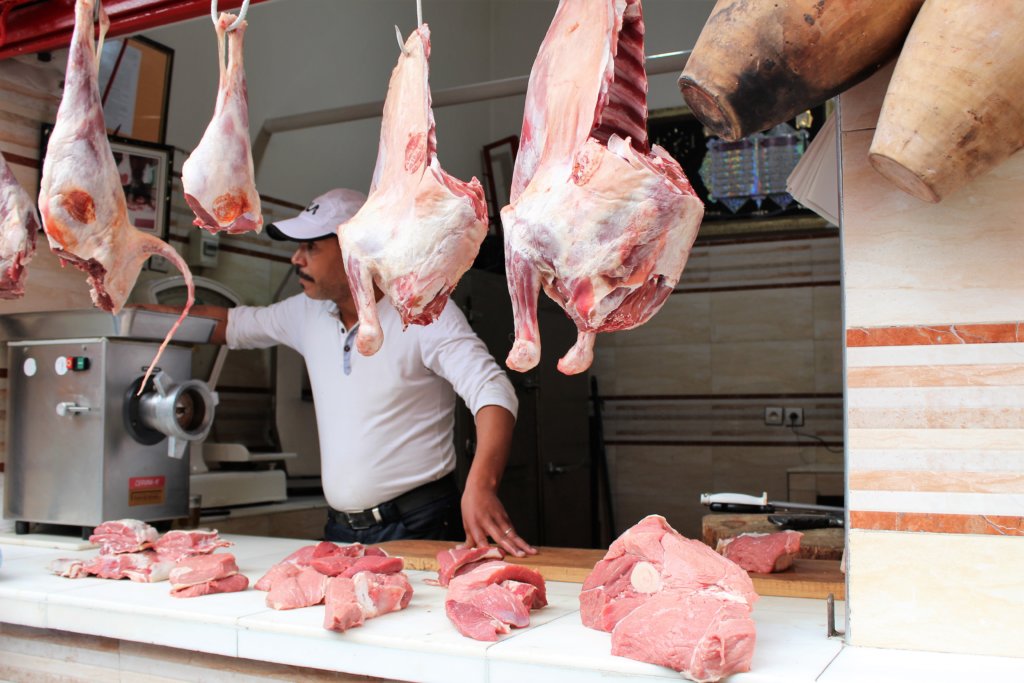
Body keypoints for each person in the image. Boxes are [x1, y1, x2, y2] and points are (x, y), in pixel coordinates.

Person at [160, 188, 535, 558]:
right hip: (340, 530)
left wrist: (481, 486)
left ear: (354, 252)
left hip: (420, 523)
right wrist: (130, 316)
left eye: (311, 248)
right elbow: (229, 325)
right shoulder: (306, 313)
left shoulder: (423, 313)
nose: (296, 259)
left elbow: (493, 391)